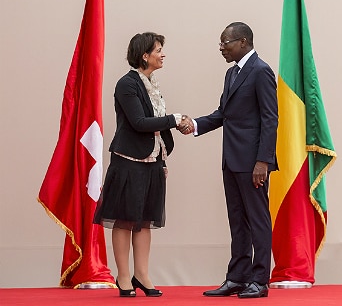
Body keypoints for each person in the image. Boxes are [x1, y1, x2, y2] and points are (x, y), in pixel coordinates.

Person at [181, 22, 278, 298]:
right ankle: (238, 277)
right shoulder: (231, 73)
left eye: (226, 42)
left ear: (243, 42)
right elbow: (224, 113)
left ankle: (260, 280)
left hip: (253, 164)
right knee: (237, 220)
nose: (222, 48)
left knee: (258, 220)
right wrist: (195, 125)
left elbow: (271, 119)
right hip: (232, 159)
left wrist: (264, 161)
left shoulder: (261, 71)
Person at [93, 32, 191, 297]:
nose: (163, 54)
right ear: (144, 55)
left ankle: (142, 274)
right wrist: (174, 118)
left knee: (145, 221)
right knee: (125, 220)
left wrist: (174, 127)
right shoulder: (127, 84)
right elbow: (138, 122)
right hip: (128, 162)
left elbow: (155, 122)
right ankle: (123, 277)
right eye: (158, 49)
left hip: (152, 161)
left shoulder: (152, 83)